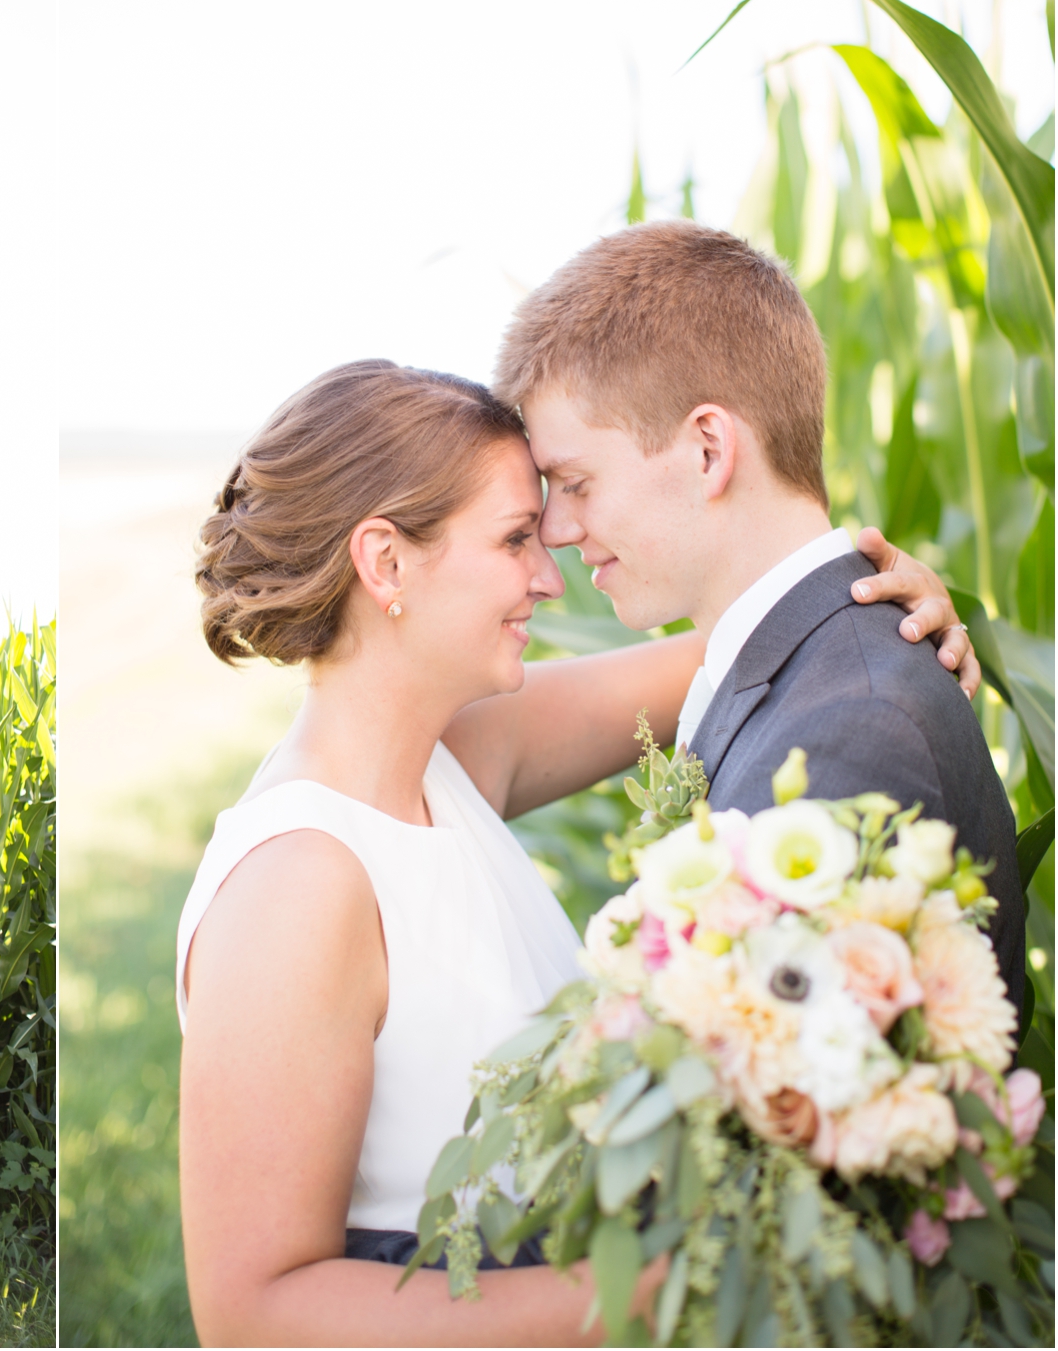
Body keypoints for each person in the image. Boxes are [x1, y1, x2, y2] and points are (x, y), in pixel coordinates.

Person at [176, 361, 971, 1344]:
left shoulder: (454, 753)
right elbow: (252, 1309)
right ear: (384, 562)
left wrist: (887, 607)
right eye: (514, 538)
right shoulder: (295, 884)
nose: (548, 573)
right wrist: (654, 1284)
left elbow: (751, 649)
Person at [496, 218, 1023, 1019]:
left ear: (709, 448)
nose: (556, 531)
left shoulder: (857, 728)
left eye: (574, 482)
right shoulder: (802, 666)